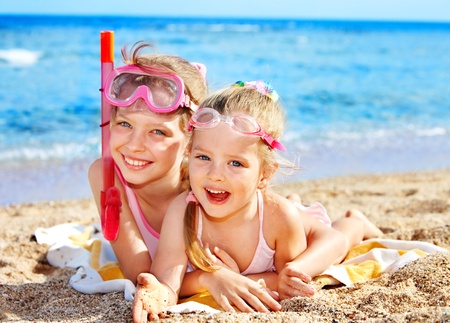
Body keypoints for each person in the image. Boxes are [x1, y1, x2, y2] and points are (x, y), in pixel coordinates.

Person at [132, 81, 383, 321]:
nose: (215, 175)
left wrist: (234, 277)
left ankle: (356, 222)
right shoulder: (183, 209)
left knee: (335, 240)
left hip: (291, 222)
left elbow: (286, 281)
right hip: (263, 206)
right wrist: (210, 277)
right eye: (204, 157)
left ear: (264, 175)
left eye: (236, 163)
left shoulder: (281, 218)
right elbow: (167, 283)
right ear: (189, 154)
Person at [88, 42, 208, 284]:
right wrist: (206, 280)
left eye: (158, 132)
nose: (134, 146)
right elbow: (142, 276)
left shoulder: (208, 186)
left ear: (191, 140)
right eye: (125, 124)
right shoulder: (106, 174)